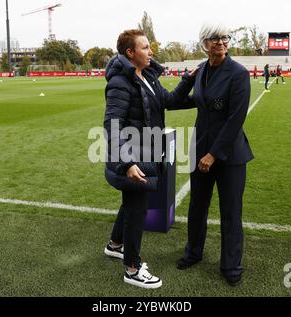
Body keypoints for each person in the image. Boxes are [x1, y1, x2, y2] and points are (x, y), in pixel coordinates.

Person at [103, 29, 196, 289]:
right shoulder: (120, 82)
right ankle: (132, 269)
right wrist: (127, 163)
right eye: (145, 47)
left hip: (145, 152)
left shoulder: (147, 76)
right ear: (130, 53)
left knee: (131, 203)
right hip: (132, 156)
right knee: (136, 208)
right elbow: (112, 125)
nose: (151, 51)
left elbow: (167, 101)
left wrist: (189, 82)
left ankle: (115, 245)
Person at [175, 22, 254, 287]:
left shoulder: (239, 74)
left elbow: (235, 119)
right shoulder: (201, 72)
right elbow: (177, 102)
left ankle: (231, 265)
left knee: (231, 211)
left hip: (229, 156)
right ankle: (193, 253)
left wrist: (213, 154)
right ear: (204, 43)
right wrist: (187, 78)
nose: (221, 42)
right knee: (197, 207)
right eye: (214, 38)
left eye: (224, 37)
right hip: (199, 151)